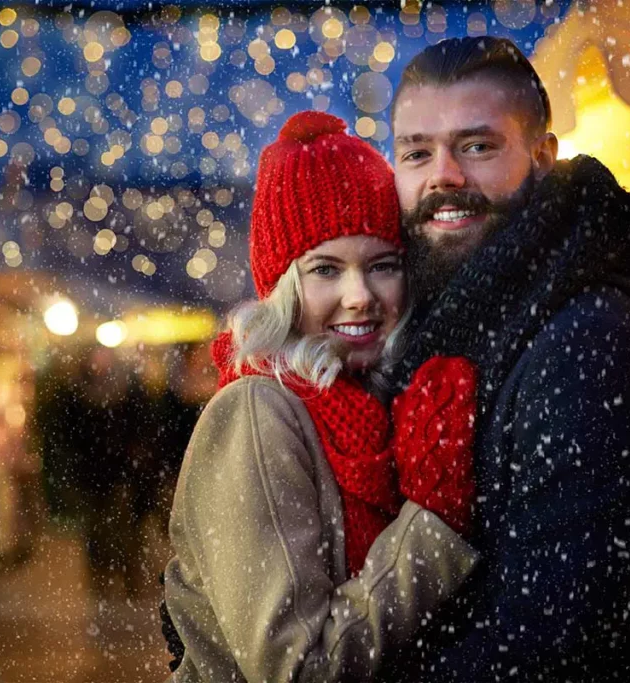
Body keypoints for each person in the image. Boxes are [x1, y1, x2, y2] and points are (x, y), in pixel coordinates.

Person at [386, 37, 630, 681]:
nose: (443, 174)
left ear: (543, 156)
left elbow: (557, 639)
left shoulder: (589, 338)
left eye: (477, 146)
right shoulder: (459, 317)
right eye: (418, 152)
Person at [161, 111, 481, 682]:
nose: (358, 295)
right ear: (284, 287)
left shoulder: (382, 404)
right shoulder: (258, 413)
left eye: (382, 265)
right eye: (326, 270)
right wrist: (434, 522)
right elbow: (297, 669)